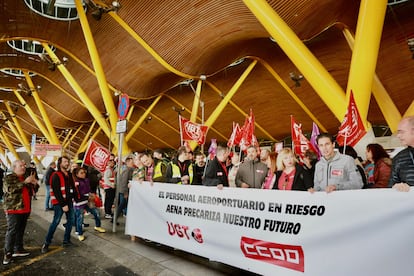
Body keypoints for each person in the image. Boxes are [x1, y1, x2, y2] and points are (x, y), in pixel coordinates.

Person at [2, 160, 37, 265]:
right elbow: (9, 189)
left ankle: (18, 249)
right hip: (14, 209)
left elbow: (31, 192)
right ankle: (8, 254)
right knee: (12, 231)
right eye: (21, 165)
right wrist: (25, 182)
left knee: (20, 230)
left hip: (25, 209)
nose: (23, 167)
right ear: (14, 167)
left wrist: (34, 184)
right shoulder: (9, 177)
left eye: (24, 165)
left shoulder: (24, 178)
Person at [41, 156, 75, 253]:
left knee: (70, 221)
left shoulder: (69, 174)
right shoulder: (56, 175)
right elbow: (56, 191)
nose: (67, 163)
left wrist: (76, 198)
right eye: (65, 161)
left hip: (68, 202)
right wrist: (64, 204)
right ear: (60, 163)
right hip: (59, 203)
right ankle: (46, 243)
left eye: (67, 161)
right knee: (56, 221)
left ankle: (66, 240)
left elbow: (71, 188)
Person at [72, 167, 106, 241]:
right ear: (76, 174)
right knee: (80, 219)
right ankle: (80, 233)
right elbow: (76, 195)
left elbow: (89, 189)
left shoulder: (86, 180)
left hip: (88, 201)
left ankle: (98, 226)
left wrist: (91, 195)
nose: (84, 174)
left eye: (84, 172)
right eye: (81, 173)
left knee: (96, 213)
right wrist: (88, 197)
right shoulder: (75, 183)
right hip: (79, 203)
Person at [389, 116, 414, 191]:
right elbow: (391, 185)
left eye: (401, 132)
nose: (398, 136)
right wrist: (396, 187)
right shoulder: (399, 158)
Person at [112, 156, 134, 224]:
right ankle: (114, 218)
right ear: (128, 162)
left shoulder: (124, 168)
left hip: (121, 189)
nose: (133, 162)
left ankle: (114, 218)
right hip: (124, 190)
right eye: (131, 161)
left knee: (123, 204)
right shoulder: (127, 170)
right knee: (122, 204)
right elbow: (124, 181)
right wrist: (125, 192)